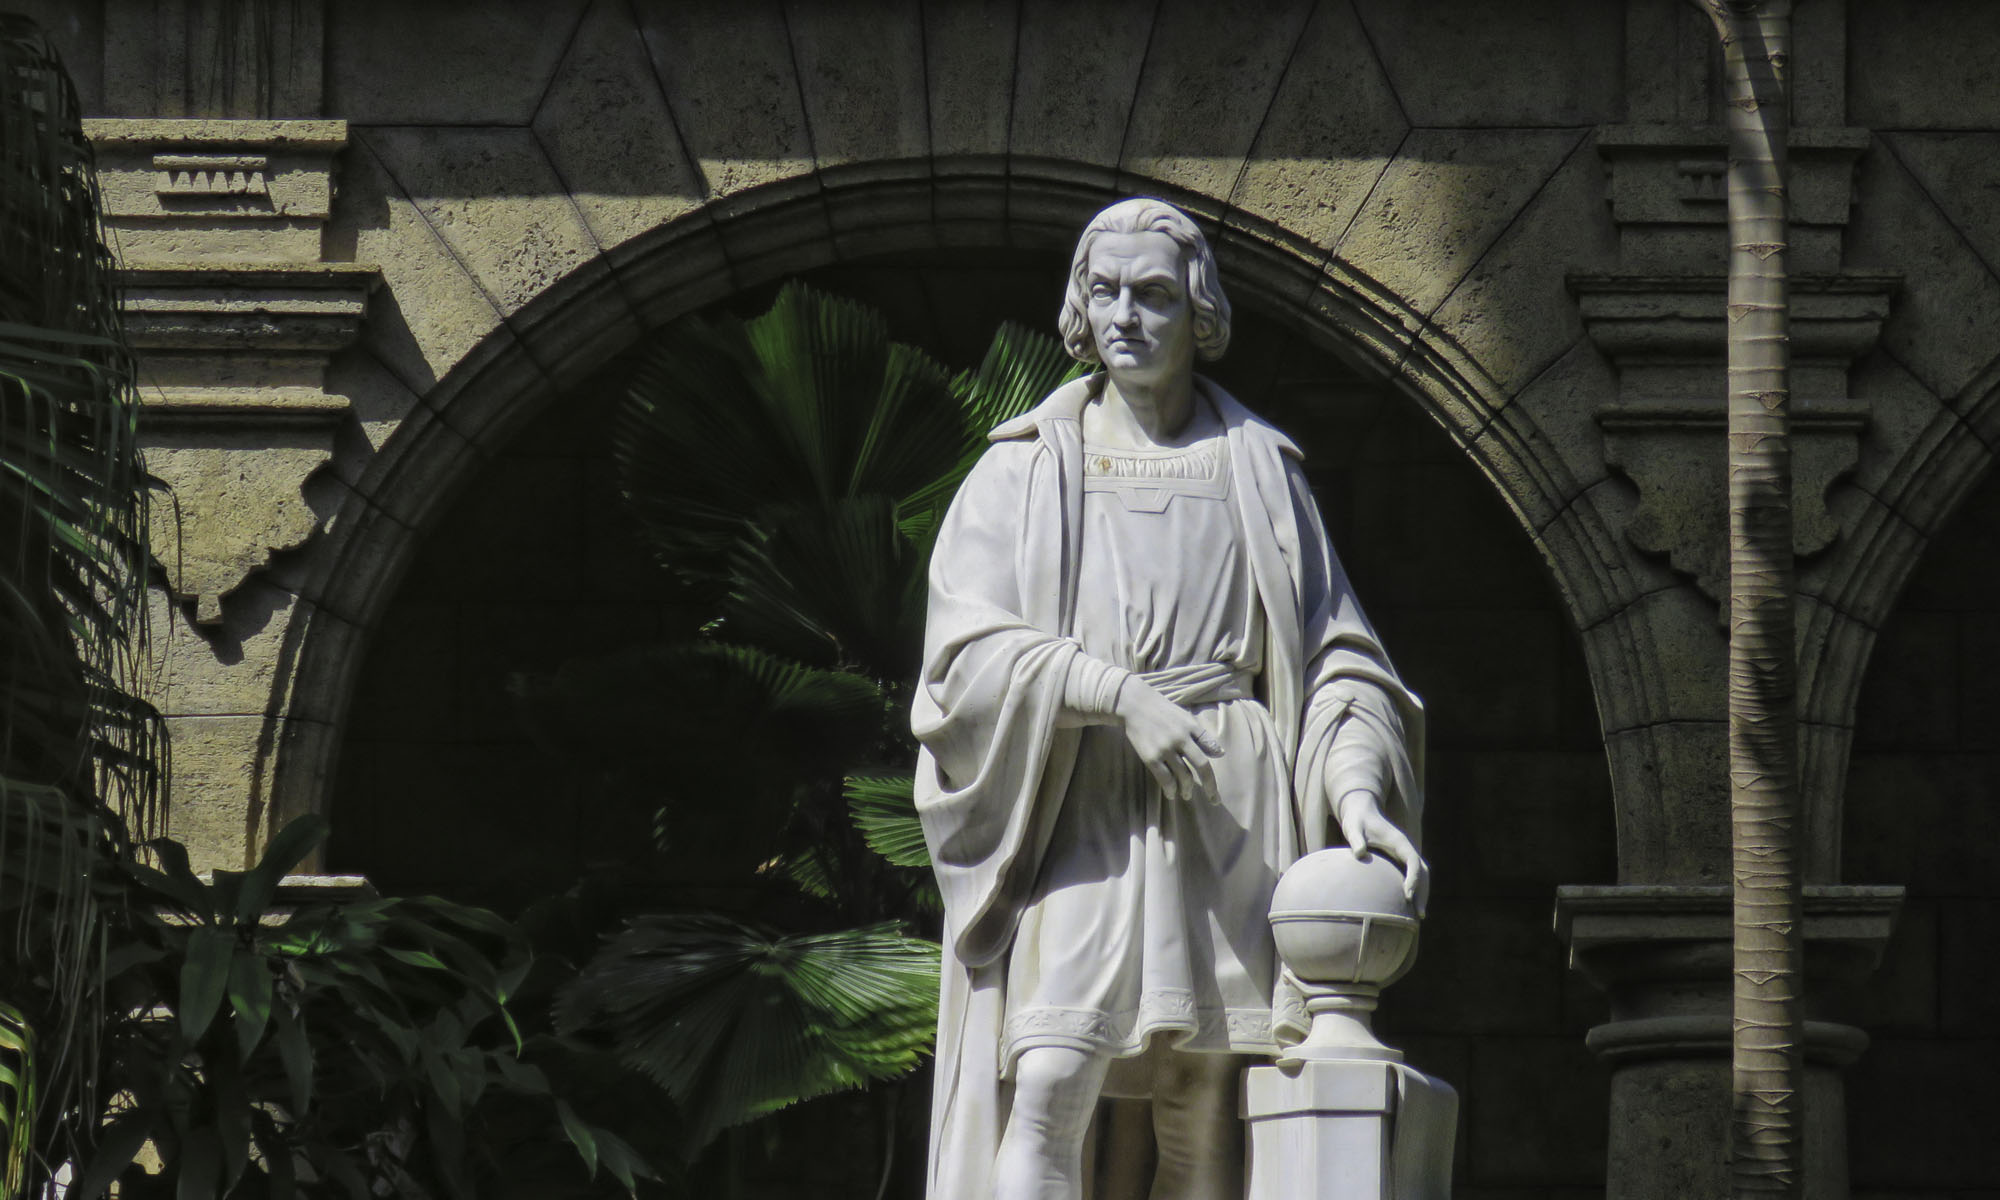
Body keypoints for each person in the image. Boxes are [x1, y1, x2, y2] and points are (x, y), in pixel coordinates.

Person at [912, 198, 1426, 1200]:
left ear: (1200, 313)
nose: (1124, 317)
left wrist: (1357, 792)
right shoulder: (1022, 469)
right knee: (1049, 1073)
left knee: (1203, 1098)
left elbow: (1337, 660)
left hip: (1230, 799)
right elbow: (961, 660)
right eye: (1103, 292)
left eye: (1151, 295)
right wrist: (1114, 694)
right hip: (1081, 800)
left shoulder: (1259, 471)